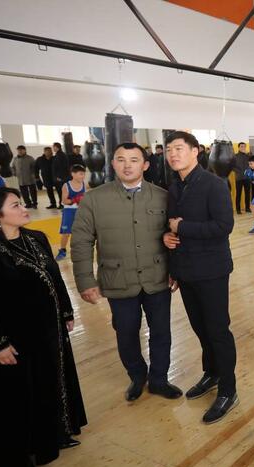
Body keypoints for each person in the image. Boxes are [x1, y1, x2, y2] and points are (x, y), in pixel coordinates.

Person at [0, 187, 86, 467]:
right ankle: (18, 455)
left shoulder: (35, 239)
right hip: (11, 341)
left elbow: (54, 277)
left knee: (48, 383)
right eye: (16, 205)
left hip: (45, 333)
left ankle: (52, 437)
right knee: (16, 398)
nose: (25, 208)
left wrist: (65, 311)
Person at [72, 142, 182, 402]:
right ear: (113, 164)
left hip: (157, 277)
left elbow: (174, 236)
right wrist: (85, 281)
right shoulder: (95, 199)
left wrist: (176, 270)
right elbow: (81, 241)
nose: (127, 165)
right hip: (118, 279)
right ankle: (137, 376)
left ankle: (159, 379)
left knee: (161, 332)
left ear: (145, 165)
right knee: (126, 332)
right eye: (121, 159)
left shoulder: (162, 196)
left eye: (134, 160)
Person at [162, 131, 238, 424]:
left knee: (218, 330)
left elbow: (224, 226)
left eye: (179, 148)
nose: (173, 154)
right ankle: (212, 372)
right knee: (200, 328)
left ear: (196, 151)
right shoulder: (174, 187)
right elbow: (170, 227)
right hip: (186, 270)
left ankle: (228, 390)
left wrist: (182, 228)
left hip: (212, 271)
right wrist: (168, 240)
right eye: (169, 149)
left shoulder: (214, 184)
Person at [55, 165, 87, 261]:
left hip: (80, 210)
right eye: (81, 174)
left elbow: (85, 197)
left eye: (84, 174)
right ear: (73, 174)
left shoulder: (84, 184)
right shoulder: (66, 186)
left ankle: (80, 250)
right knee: (66, 233)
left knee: (81, 232)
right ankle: (62, 250)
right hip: (69, 211)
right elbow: (64, 201)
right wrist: (75, 199)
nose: (83, 176)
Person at [233, 142, 251, 215]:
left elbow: (251, 165)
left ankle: (247, 208)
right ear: (238, 147)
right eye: (241, 146)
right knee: (238, 193)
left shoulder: (248, 156)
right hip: (239, 178)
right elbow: (232, 166)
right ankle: (238, 209)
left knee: (247, 193)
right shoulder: (235, 156)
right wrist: (239, 172)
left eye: (244, 146)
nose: (243, 148)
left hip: (247, 177)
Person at [52, 142, 70, 209]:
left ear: (57, 147)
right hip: (60, 177)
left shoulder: (61, 155)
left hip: (61, 178)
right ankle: (62, 204)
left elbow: (62, 167)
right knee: (61, 191)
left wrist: (60, 177)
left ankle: (63, 204)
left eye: (54, 147)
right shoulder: (58, 155)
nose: (53, 148)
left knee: (62, 191)